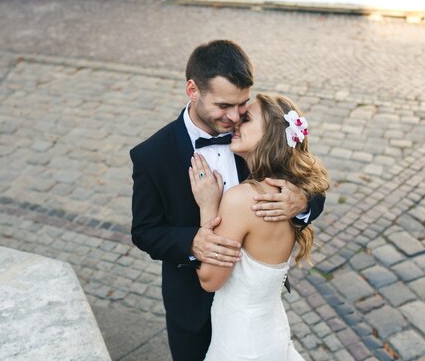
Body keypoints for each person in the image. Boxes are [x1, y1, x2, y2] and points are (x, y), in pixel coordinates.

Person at [130, 40, 325, 361]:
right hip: (191, 305)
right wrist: (194, 242)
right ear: (193, 90)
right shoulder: (152, 155)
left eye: (242, 105)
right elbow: (145, 231)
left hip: (246, 310)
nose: (235, 116)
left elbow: (309, 181)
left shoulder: (253, 140)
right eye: (223, 106)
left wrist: (301, 203)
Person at [190, 93, 330, 360]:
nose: (235, 124)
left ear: (270, 135)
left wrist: (208, 207)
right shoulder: (290, 192)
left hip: (242, 344)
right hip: (270, 332)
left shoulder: (242, 199)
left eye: (246, 119)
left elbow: (210, 280)